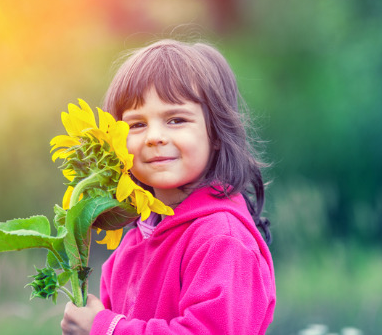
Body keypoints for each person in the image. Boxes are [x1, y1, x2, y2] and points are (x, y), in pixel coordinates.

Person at [61, 39, 276, 335]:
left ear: (215, 133)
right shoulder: (130, 245)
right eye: (136, 124)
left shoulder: (222, 239)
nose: (155, 136)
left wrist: (108, 330)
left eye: (176, 119)